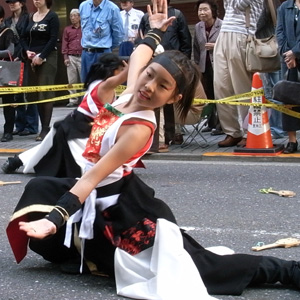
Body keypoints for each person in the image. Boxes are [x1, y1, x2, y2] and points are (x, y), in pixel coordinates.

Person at [6, 1, 300, 299]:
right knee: (41, 190)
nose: (150, 86)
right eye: (151, 75)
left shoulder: (139, 128)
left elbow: (93, 177)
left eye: (163, 86)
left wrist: (54, 218)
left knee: (201, 268)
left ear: (174, 97)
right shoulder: (135, 89)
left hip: (122, 208)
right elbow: (139, 54)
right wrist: (156, 31)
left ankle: (287, 271)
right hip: (96, 196)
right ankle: (81, 255)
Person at [1, 53, 128, 177]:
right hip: (79, 128)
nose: (122, 72)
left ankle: (15, 161)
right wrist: (131, 68)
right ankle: (16, 162)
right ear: (113, 71)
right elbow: (125, 78)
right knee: (86, 169)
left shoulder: (101, 84)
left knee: (50, 147)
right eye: (120, 70)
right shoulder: (104, 86)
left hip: (84, 127)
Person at [138, 0, 192, 150]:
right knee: (155, 101)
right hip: (154, 63)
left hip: (173, 63)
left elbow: (185, 40)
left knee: (170, 100)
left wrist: (183, 64)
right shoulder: (145, 17)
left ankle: (173, 134)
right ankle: (157, 138)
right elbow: (142, 39)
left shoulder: (177, 14)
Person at [214, 0, 264, 147]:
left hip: (242, 34)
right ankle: (232, 132)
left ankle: (250, 132)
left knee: (242, 87)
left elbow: (239, 4)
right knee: (221, 86)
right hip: (223, 33)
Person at [20, 0, 59, 142]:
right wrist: (27, 51)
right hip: (32, 58)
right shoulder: (30, 16)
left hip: (47, 57)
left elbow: (53, 39)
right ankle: (42, 127)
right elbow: (23, 37)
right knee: (35, 92)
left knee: (45, 92)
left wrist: (42, 56)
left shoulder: (52, 16)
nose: (36, 1)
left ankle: (45, 128)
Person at [4, 0, 38, 137]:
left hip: (25, 58)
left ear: (21, 3)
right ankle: (20, 125)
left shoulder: (28, 18)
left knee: (28, 92)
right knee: (16, 93)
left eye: (14, 1)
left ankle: (31, 125)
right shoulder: (7, 21)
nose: (11, 4)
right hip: (12, 61)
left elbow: (28, 39)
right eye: (9, 2)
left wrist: (23, 55)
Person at [193, 0, 223, 136]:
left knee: (220, 95)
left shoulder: (222, 25)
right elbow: (196, 49)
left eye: (205, 9)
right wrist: (197, 66)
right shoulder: (198, 27)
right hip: (204, 67)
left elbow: (227, 46)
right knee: (208, 95)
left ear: (213, 11)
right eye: (200, 10)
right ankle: (211, 122)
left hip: (219, 66)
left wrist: (215, 46)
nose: (202, 13)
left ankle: (221, 124)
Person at [256, 0, 285, 140]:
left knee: (274, 93)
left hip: (270, 52)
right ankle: (280, 128)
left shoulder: (267, 5)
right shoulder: (275, 4)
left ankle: (277, 129)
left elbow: (256, 25)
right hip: (273, 51)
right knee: (275, 92)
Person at [79, 0, 124, 83]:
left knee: (103, 85)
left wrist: (107, 49)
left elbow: (119, 35)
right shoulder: (83, 6)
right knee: (85, 85)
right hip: (86, 53)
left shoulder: (112, 9)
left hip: (103, 53)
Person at [276, 0, 300, 154]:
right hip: (290, 61)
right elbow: (279, 32)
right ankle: (292, 140)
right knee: (288, 99)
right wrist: (288, 55)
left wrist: (295, 52)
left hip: (295, 55)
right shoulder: (285, 6)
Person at [61, 8, 83, 108]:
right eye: (71, 16)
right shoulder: (67, 29)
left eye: (75, 15)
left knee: (84, 79)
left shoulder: (84, 27)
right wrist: (65, 57)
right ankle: (73, 100)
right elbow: (64, 43)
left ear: (79, 17)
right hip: (71, 57)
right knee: (72, 80)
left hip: (83, 56)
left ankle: (84, 99)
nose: (73, 18)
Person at [0, 5, 15, 142]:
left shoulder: (7, 32)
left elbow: (11, 51)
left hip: (5, 71)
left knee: (8, 102)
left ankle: (8, 131)